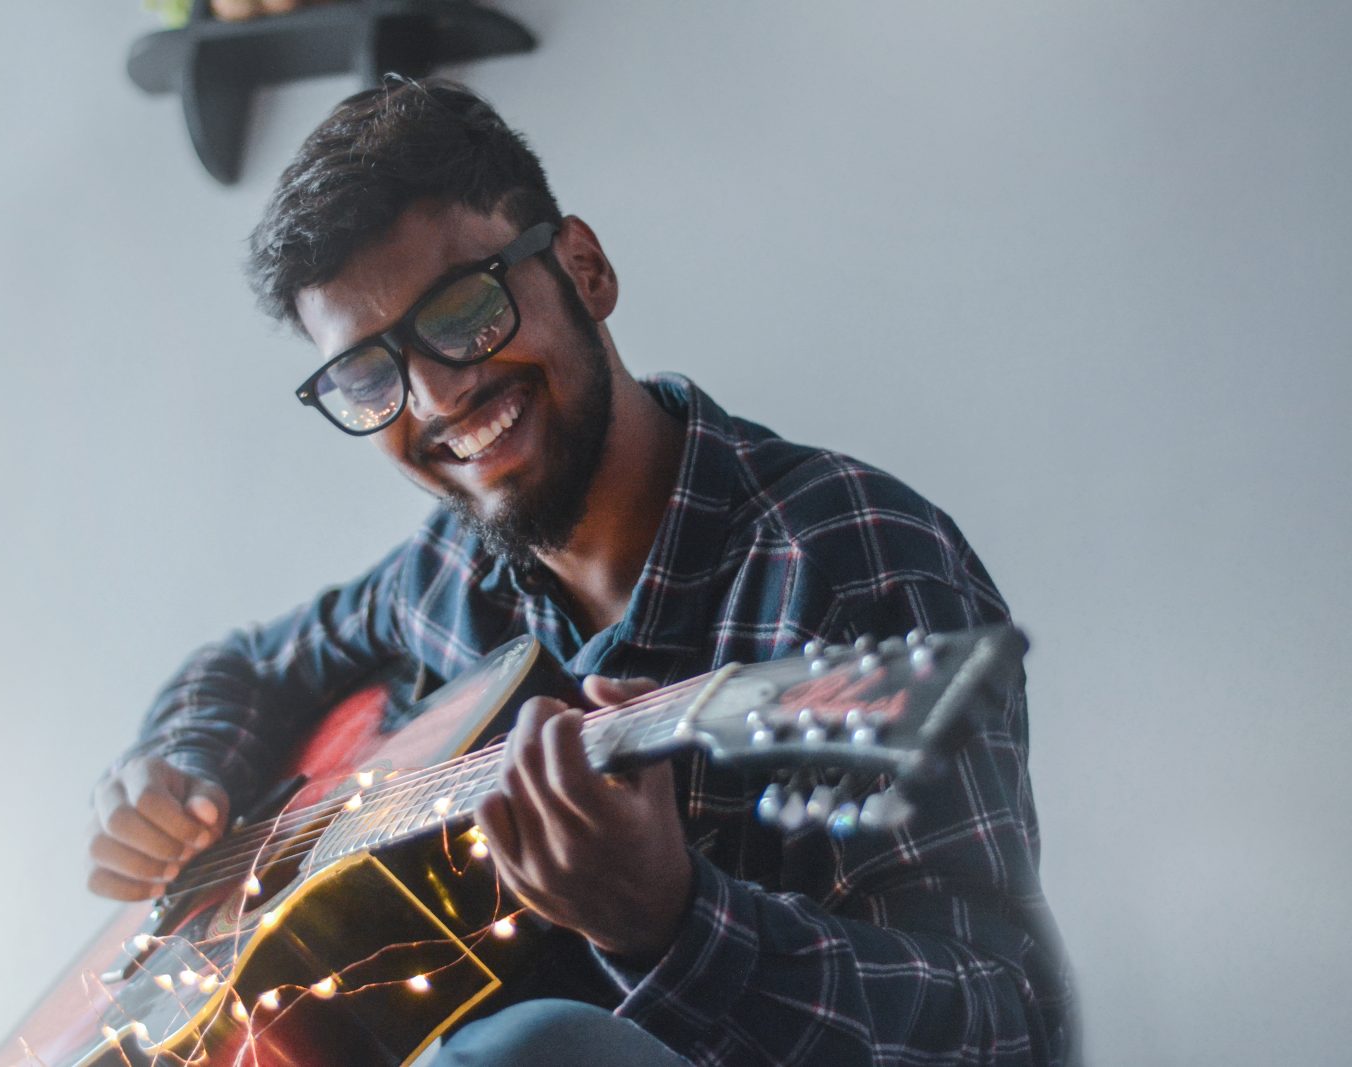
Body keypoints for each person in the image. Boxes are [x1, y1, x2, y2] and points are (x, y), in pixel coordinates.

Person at [86, 78, 1074, 1066]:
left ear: (584, 270)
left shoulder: (852, 559)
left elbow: (1005, 1025)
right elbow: (249, 662)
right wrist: (181, 772)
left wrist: (675, 923)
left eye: (463, 309)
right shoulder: (451, 573)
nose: (434, 396)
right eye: (367, 374)